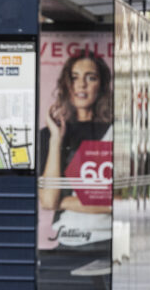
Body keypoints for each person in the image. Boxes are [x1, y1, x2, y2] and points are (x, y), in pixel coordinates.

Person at [38, 51, 113, 249]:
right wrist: (56, 141)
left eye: (91, 77)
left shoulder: (114, 133)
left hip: (105, 241)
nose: (81, 85)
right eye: (74, 78)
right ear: (66, 84)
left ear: (102, 85)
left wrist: (61, 201)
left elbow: (114, 203)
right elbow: (47, 200)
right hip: (66, 240)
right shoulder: (49, 134)